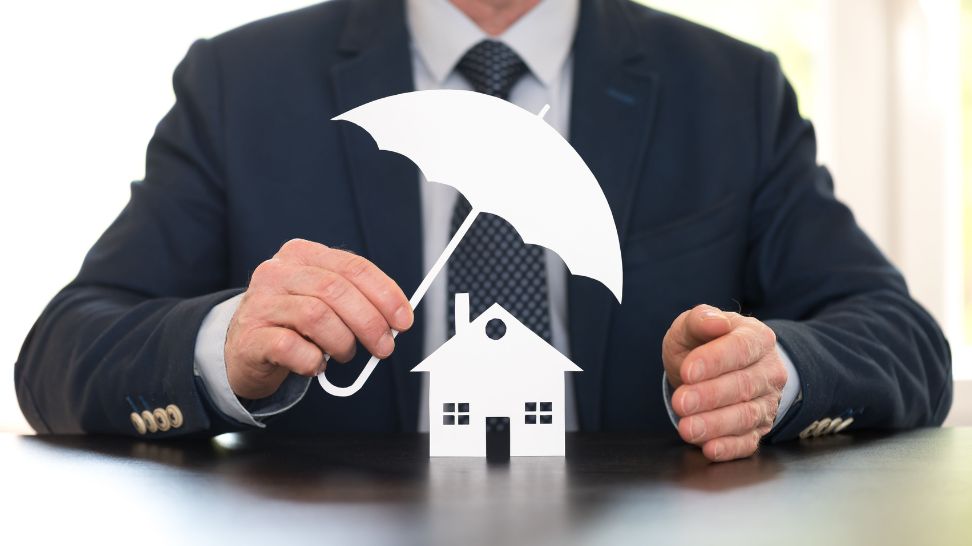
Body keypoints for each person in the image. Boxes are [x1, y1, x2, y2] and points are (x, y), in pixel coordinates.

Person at [15, 0, 952, 462]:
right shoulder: (240, 85)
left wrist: (771, 373)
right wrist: (228, 345)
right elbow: (62, 350)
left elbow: (903, 339)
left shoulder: (731, 89)